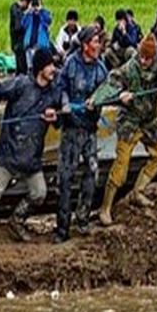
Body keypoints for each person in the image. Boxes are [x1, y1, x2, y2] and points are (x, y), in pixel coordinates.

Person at [0, 49, 63, 252]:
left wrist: (56, 118)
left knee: (39, 193)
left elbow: (60, 118)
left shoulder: (54, 93)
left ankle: (16, 221)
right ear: (40, 67)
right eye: (50, 65)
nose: (54, 69)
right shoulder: (21, 84)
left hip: (32, 157)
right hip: (9, 154)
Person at [93, 34, 157, 226]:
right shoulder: (129, 68)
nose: (144, 61)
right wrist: (119, 95)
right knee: (120, 169)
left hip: (148, 121)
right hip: (129, 122)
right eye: (142, 57)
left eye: (148, 58)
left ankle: (138, 191)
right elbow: (111, 83)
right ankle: (105, 208)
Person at [54, 27, 107, 243]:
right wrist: (65, 103)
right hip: (71, 130)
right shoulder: (70, 64)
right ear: (86, 45)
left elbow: (106, 92)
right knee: (65, 178)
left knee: (92, 173)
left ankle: (83, 216)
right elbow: (60, 87)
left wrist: (97, 102)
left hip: (89, 129)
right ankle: (62, 228)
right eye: (95, 42)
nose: (98, 46)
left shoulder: (101, 69)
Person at [21, 0, 53, 72]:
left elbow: (48, 21)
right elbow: (23, 24)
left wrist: (41, 10)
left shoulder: (44, 14)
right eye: (33, 3)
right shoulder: (29, 15)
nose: (35, 6)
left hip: (40, 46)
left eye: (37, 3)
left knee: (39, 68)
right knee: (30, 68)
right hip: (29, 45)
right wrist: (28, 10)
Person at [10, 0, 29, 75]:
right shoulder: (16, 9)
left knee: (20, 61)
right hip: (18, 39)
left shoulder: (15, 9)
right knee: (21, 62)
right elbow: (18, 26)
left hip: (18, 40)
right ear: (24, 2)